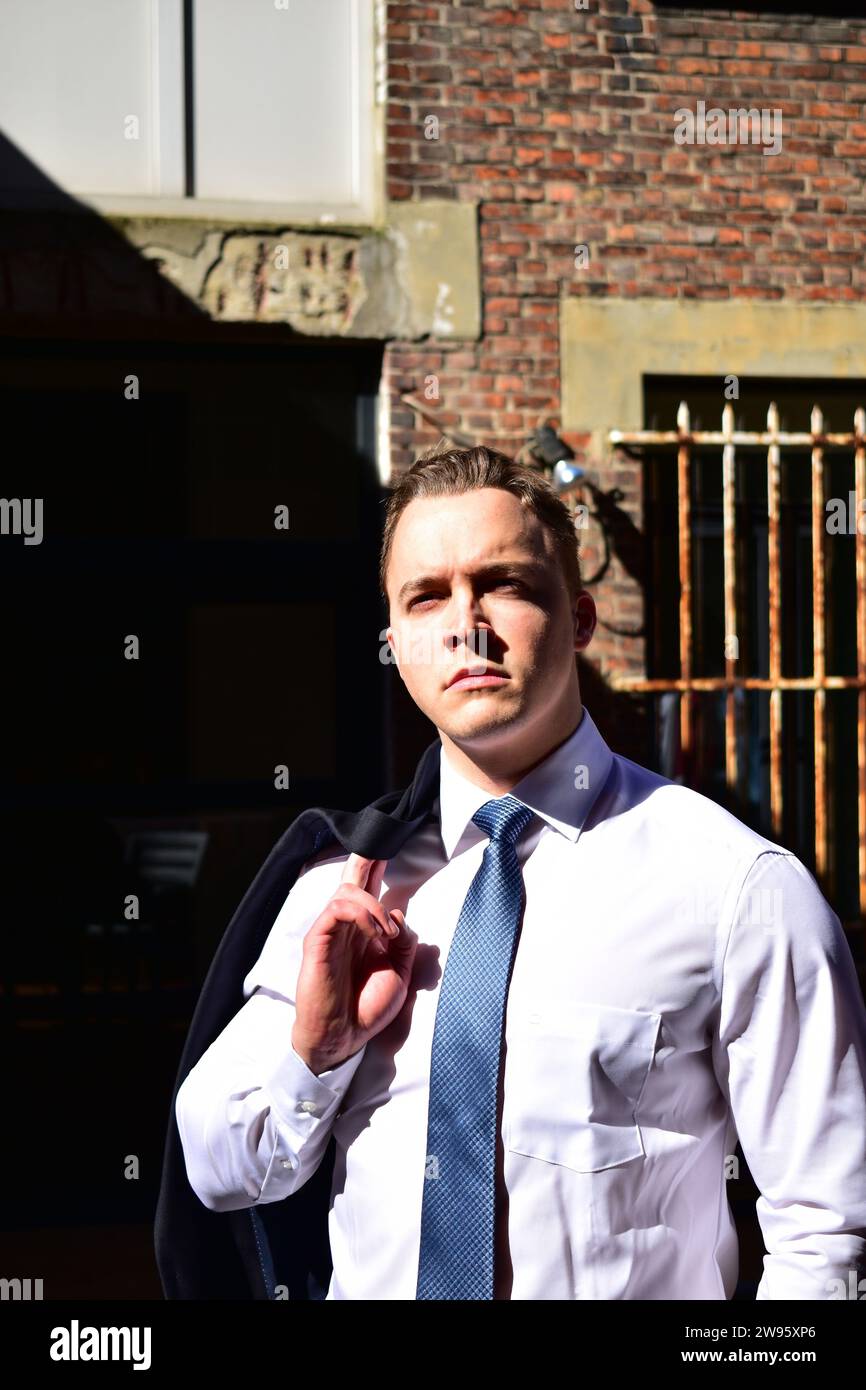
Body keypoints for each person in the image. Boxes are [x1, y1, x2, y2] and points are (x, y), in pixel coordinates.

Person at [167, 444, 866, 1300]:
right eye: (428, 596)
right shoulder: (345, 889)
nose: (466, 623)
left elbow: (828, 1233)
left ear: (580, 618)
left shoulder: (738, 888)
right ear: (395, 642)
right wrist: (315, 1055)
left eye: (505, 584)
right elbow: (222, 1173)